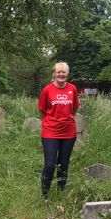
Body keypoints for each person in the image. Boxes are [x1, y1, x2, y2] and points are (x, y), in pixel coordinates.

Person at [38, 62, 80, 197]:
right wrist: (51, 121)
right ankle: (45, 194)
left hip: (68, 132)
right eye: (58, 72)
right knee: (50, 164)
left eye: (64, 72)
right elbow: (42, 110)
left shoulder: (72, 89)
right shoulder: (47, 90)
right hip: (50, 131)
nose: (61, 74)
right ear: (54, 74)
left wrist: (68, 117)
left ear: (67, 74)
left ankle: (61, 193)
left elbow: (75, 107)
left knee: (63, 164)